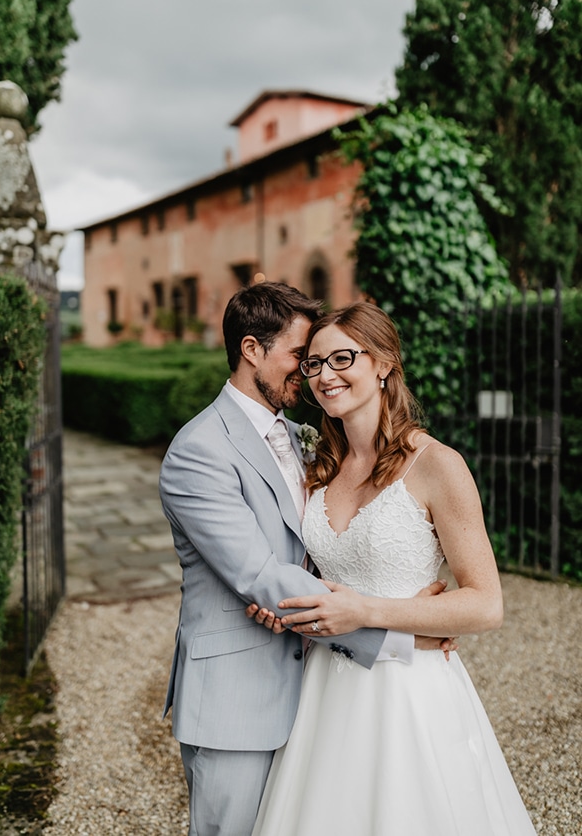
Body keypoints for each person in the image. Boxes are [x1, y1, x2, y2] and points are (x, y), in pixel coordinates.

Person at [159, 283, 451, 836]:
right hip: (237, 699)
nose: (311, 374)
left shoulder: (308, 439)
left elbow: (321, 548)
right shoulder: (198, 451)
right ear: (252, 350)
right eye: (301, 357)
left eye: (322, 359)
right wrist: (398, 632)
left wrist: (402, 602)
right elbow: (260, 576)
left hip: (317, 689)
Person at [251, 302, 536, 836]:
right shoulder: (317, 469)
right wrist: (277, 605)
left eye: (342, 358)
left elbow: (486, 602)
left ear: (383, 364)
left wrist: (369, 613)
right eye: (313, 364)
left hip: (410, 693)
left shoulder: (437, 466)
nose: (325, 375)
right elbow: (303, 574)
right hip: (324, 689)